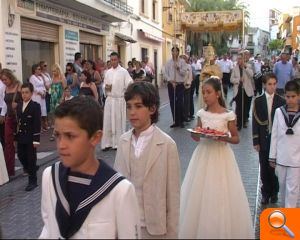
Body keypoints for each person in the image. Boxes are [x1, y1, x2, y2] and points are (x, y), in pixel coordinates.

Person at [39, 96, 140, 238]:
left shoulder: (120, 190)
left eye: (70, 136)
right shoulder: (50, 177)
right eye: (58, 135)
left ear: (95, 138)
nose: (61, 145)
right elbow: (48, 228)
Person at [179, 77, 254, 239]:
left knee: (220, 192)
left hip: (221, 157)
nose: (205, 96)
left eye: (208, 92)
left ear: (218, 94)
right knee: (199, 193)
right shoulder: (201, 113)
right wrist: (197, 133)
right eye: (203, 92)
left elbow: (235, 138)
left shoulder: (228, 116)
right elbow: (197, 137)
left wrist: (222, 138)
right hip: (203, 155)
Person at [114, 81, 180, 238]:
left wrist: (172, 234)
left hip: (155, 229)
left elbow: (173, 197)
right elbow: (116, 187)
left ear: (152, 109)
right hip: (126, 226)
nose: (132, 112)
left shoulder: (167, 145)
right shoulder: (123, 141)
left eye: (138, 106)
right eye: (129, 106)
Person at [252, 73, 285, 205]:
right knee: (264, 167)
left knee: (274, 168)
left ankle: (274, 192)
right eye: (269, 84)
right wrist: (256, 141)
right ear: (265, 85)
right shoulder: (258, 101)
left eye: (274, 84)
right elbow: (255, 122)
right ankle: (265, 192)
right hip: (263, 138)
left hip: (276, 140)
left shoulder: (281, 101)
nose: (272, 87)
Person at [269, 80, 300, 208]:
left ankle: (289, 223)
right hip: (281, 158)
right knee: (283, 191)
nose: (290, 100)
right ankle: (285, 218)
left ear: (299, 96)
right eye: (288, 97)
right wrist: (272, 156)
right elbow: (274, 135)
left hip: (296, 160)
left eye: (293, 96)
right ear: (284, 96)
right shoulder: (278, 112)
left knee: (292, 192)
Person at [101, 52, 133, 151]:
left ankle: (118, 143)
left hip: (119, 100)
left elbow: (129, 83)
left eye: (115, 60)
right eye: (111, 60)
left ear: (118, 60)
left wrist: (126, 94)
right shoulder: (108, 72)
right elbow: (104, 85)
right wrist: (105, 87)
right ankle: (107, 143)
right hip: (110, 100)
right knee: (108, 122)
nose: (113, 62)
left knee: (119, 122)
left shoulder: (123, 72)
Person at [15, 82, 41, 191]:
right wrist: (15, 137)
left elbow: (36, 124)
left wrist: (36, 140)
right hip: (21, 136)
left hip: (30, 137)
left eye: (26, 92)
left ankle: (33, 181)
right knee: (21, 155)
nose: (24, 95)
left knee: (31, 158)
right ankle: (32, 168)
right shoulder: (19, 105)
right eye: (22, 93)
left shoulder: (35, 106)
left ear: (31, 93)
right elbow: (18, 122)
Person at [1, 69, 22, 176]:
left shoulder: (19, 85)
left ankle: (28, 166)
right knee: (8, 142)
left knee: (22, 143)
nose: (4, 81)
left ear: (10, 77)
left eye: (5, 79)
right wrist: (2, 114)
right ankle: (9, 170)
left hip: (19, 117)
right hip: (9, 117)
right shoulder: (5, 88)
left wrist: (18, 105)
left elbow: (25, 100)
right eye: (2, 80)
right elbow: (5, 103)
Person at [164, 46, 187, 128]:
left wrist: (178, 68)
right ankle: (175, 121)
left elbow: (184, 73)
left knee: (180, 103)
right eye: (173, 51)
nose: (174, 53)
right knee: (172, 103)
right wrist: (170, 81)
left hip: (179, 84)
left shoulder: (182, 62)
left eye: (175, 51)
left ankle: (181, 120)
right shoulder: (168, 63)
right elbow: (165, 74)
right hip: (171, 84)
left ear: (178, 52)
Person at [231, 53, 254, 130]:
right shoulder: (234, 68)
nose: (239, 60)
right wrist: (238, 80)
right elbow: (231, 79)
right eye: (238, 59)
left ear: (243, 59)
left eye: (240, 59)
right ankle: (238, 123)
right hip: (238, 90)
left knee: (245, 107)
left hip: (246, 90)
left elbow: (251, 75)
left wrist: (245, 67)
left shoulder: (248, 66)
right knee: (238, 108)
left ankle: (244, 121)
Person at [29, 64, 47, 131]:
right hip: (36, 96)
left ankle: (42, 126)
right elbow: (33, 88)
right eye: (39, 69)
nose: (40, 70)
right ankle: (37, 127)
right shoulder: (32, 77)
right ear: (35, 70)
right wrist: (40, 93)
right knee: (37, 112)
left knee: (42, 111)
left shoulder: (40, 77)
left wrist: (44, 92)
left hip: (42, 97)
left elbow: (43, 86)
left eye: (40, 69)